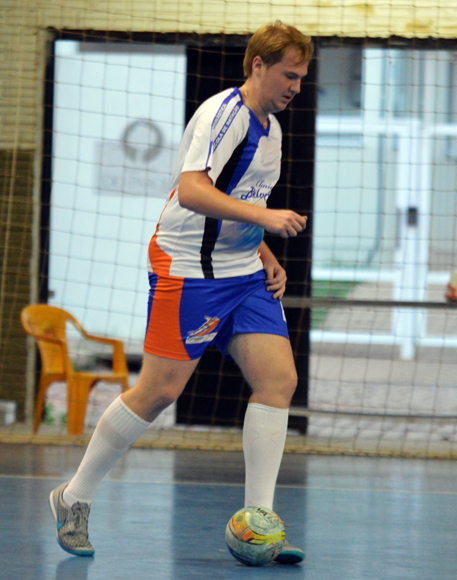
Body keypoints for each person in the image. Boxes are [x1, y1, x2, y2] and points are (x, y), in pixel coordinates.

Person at [49, 22, 314, 561]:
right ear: (258, 65)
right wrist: (266, 218)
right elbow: (193, 191)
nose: (296, 86)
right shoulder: (224, 114)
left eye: (303, 77)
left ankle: (255, 523)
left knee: (279, 380)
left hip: (241, 272)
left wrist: (263, 252)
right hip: (188, 269)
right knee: (159, 392)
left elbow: (235, 199)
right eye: (289, 74)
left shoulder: (275, 129)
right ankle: (73, 497)